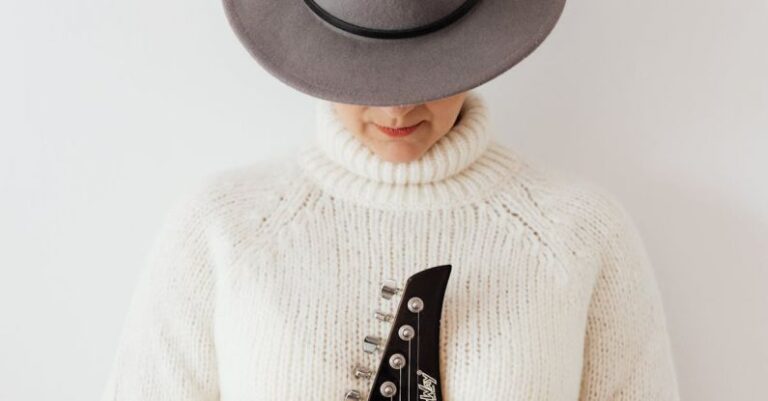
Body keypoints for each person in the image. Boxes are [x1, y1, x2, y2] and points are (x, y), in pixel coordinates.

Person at [101, 1, 682, 400]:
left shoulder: (579, 233)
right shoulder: (224, 228)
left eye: (426, 71)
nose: (396, 110)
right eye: (368, 75)